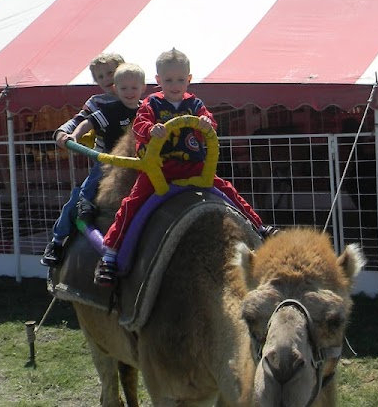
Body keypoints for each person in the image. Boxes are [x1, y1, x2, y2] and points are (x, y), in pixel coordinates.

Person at [95, 48, 270, 285]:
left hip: (194, 167)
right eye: (168, 80)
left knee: (228, 191)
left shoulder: (195, 104)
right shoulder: (152, 104)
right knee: (131, 204)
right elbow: (139, 125)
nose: (175, 85)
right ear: (158, 81)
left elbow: (210, 120)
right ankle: (110, 254)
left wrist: (207, 123)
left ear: (188, 79)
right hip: (160, 170)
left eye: (180, 80)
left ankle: (259, 227)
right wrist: (150, 130)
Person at [41, 54, 139, 267]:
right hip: (106, 163)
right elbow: (80, 121)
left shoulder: (140, 103)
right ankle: (57, 241)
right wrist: (65, 134)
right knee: (81, 197)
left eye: (110, 73)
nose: (106, 79)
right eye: (100, 76)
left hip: (136, 162)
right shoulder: (99, 103)